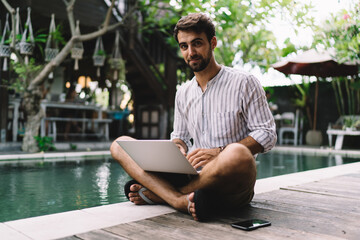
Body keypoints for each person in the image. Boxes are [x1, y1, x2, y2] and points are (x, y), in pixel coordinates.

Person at [110, 13, 277, 221]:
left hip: (231, 182)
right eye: (184, 46)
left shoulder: (245, 82)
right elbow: (179, 135)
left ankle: (165, 195)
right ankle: (180, 200)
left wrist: (219, 152)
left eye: (197, 43)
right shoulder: (183, 92)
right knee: (119, 144)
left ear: (212, 43)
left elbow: (267, 134)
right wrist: (178, 147)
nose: (191, 52)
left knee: (237, 153)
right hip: (193, 174)